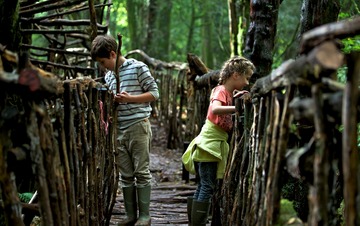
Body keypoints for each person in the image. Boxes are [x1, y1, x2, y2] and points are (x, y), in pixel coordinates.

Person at [91, 35, 159, 226]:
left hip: (138, 125)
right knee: (126, 175)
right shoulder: (109, 75)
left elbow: (154, 93)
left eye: (104, 62)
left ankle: (144, 216)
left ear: (113, 53)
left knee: (141, 171)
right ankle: (130, 215)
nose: (103, 67)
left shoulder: (138, 68)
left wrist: (130, 99)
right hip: (119, 130)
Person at [182, 56, 255, 226]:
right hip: (209, 145)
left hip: (212, 144)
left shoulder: (228, 93)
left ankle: (195, 222)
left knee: (203, 185)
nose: (247, 82)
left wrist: (238, 98)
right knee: (207, 186)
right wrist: (237, 107)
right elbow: (215, 109)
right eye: (246, 77)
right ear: (235, 75)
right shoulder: (220, 90)